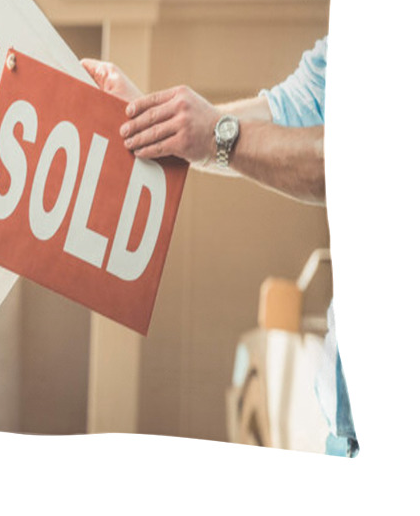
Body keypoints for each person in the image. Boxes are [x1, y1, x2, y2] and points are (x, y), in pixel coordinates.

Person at [82, 36, 358, 457]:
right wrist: (158, 123)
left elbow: (355, 157)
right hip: (346, 430)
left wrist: (216, 136)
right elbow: (298, 107)